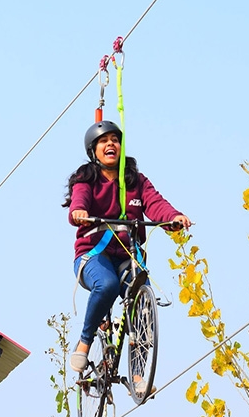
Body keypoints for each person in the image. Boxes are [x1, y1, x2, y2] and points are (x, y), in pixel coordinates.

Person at [63, 120, 191, 378]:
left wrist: (174, 217)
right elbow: (80, 199)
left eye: (115, 140)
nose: (111, 144)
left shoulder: (136, 181)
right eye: (103, 141)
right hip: (93, 255)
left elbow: (156, 204)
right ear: (94, 150)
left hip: (127, 255)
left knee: (143, 303)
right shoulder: (86, 178)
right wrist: (79, 212)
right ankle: (85, 341)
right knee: (107, 284)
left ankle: (138, 373)